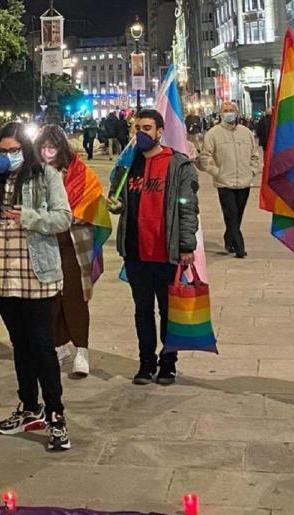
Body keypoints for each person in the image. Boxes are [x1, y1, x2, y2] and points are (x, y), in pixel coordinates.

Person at [0, 122, 72, 451]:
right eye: (3, 150)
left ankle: (56, 414)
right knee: (20, 343)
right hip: (1, 273)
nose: (8, 156)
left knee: (42, 344)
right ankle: (29, 407)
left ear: (26, 149)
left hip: (37, 274)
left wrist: (29, 217)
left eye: (14, 150)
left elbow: (63, 218)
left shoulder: (46, 175)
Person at [107, 109, 199, 386]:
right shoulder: (128, 164)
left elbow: (188, 208)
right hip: (136, 251)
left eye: (147, 128)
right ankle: (146, 362)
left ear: (160, 131)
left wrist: (186, 245)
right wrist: (116, 205)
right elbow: (117, 196)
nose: (141, 133)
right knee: (142, 310)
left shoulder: (178, 165)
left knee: (169, 311)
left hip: (166, 251)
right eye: (137, 128)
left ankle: (168, 362)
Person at [35, 125, 107, 379]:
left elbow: (91, 200)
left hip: (74, 244)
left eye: (51, 148)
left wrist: (62, 217)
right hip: (44, 244)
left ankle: (81, 350)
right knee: (50, 298)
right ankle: (58, 345)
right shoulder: (34, 174)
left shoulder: (79, 172)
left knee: (75, 297)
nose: (46, 153)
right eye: (42, 148)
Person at [198, 101, 261, 258]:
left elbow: (255, 155)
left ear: (237, 112)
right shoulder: (213, 134)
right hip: (224, 181)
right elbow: (205, 157)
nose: (229, 113)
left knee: (237, 214)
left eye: (231, 110)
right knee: (231, 212)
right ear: (221, 113)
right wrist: (216, 172)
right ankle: (239, 246)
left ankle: (229, 238)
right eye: (226, 110)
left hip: (244, 181)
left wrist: (252, 170)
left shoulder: (246, 132)